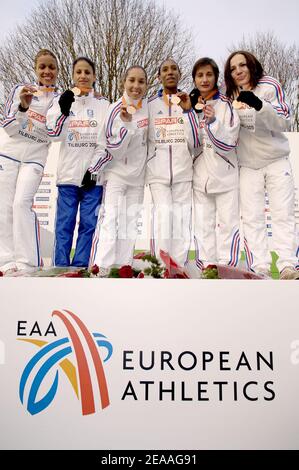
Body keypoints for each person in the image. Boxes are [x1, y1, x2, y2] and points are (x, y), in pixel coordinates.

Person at [224, 50, 299, 279]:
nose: (239, 71)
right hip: (248, 165)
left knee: (283, 213)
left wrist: (259, 105)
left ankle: (288, 265)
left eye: (243, 65)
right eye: (233, 68)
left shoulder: (269, 85)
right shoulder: (229, 95)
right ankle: (260, 267)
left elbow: (284, 118)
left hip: (276, 160)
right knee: (252, 217)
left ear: (252, 65)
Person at [46, 57, 110, 267]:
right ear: (73, 75)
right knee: (64, 225)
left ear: (93, 76)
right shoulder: (61, 100)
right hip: (68, 177)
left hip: (94, 179)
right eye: (79, 72)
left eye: (87, 72)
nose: (83, 76)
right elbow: (53, 134)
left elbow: (105, 142)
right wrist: (64, 111)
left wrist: (93, 170)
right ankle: (60, 267)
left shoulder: (104, 104)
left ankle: (80, 267)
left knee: (88, 225)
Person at [0, 49, 59, 276]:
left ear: (57, 70)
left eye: (51, 67)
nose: (47, 71)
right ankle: (6, 262)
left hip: (35, 158)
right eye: (42, 67)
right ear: (35, 69)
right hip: (8, 154)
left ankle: (28, 263)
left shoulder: (60, 98)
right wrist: (23, 108)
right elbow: (9, 128)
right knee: (4, 207)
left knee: (21, 204)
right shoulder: (20, 90)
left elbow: (55, 133)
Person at [89, 66, 148, 273]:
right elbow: (110, 147)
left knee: (130, 222)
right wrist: (127, 126)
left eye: (141, 81)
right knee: (110, 218)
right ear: (124, 82)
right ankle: (101, 266)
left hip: (138, 177)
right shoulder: (114, 109)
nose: (136, 86)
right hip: (116, 174)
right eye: (132, 80)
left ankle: (124, 265)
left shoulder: (147, 108)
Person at [147, 58, 200, 267]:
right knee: (163, 216)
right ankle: (159, 266)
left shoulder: (189, 103)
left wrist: (188, 112)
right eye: (165, 70)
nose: (170, 72)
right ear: (159, 77)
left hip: (183, 172)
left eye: (174, 69)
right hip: (157, 174)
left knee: (181, 220)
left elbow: (196, 142)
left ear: (180, 74)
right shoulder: (150, 105)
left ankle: (178, 267)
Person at [189, 57, 240, 272]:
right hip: (200, 179)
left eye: (209, 74)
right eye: (200, 75)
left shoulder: (227, 105)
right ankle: (208, 268)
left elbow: (229, 142)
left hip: (226, 177)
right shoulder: (190, 106)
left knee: (228, 226)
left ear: (216, 77)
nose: (204, 79)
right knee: (203, 227)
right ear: (194, 79)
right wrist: (190, 113)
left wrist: (212, 123)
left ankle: (228, 268)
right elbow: (189, 144)